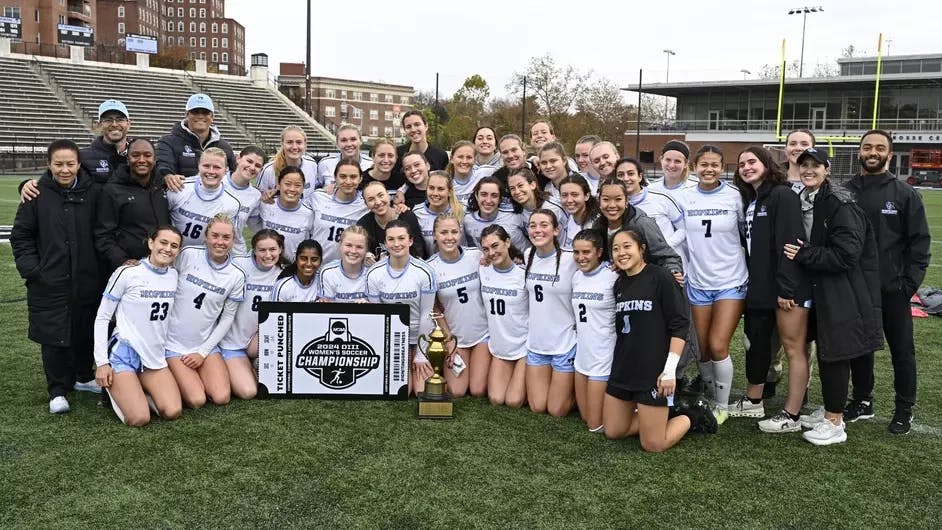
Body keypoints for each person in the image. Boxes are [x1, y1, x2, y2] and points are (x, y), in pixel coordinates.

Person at [783, 147, 883, 445]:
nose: (808, 170)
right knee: (826, 351)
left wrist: (805, 254)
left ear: (827, 169)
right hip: (820, 288)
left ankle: (835, 422)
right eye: (804, 166)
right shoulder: (808, 197)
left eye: (815, 166)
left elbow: (846, 255)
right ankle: (830, 410)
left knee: (835, 353)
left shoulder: (840, 202)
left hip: (842, 290)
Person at [844, 130, 931, 434]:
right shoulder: (845, 191)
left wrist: (908, 284)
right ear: (859, 152)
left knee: (902, 350)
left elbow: (919, 243)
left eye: (880, 148)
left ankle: (904, 408)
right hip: (855, 287)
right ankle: (863, 400)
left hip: (892, 288)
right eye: (867, 147)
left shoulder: (905, 193)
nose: (873, 152)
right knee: (859, 348)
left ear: (889, 155)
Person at [603, 229, 716, 451]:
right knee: (613, 431)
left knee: (654, 444)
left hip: (652, 372)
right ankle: (661, 414)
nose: (621, 253)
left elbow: (680, 324)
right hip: (623, 368)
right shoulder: (619, 284)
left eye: (627, 246)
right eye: (615, 249)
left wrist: (669, 370)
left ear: (642, 248)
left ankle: (693, 415)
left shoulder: (661, 277)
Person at [11, 139, 102, 414]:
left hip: (86, 277)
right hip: (49, 279)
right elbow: (21, 236)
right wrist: (33, 270)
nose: (65, 170)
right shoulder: (36, 194)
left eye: (70, 164)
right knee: (53, 334)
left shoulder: (94, 193)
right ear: (49, 165)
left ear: (78, 164)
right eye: (58, 164)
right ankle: (57, 389)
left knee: (85, 328)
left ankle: (83, 377)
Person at [729, 147, 809, 433]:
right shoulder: (752, 198)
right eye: (741, 164)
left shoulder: (782, 195)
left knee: (793, 349)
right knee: (756, 345)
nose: (746, 167)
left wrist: (786, 288)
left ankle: (792, 414)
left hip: (785, 289)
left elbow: (791, 245)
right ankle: (753, 400)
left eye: (752, 161)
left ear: (766, 164)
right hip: (759, 288)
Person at [679, 145, 747, 424]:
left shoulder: (735, 196)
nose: (709, 169)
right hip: (698, 281)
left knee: (719, 345)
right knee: (704, 348)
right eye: (703, 165)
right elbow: (677, 235)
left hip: (731, 280)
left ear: (723, 167)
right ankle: (706, 394)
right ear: (694, 167)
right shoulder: (684, 198)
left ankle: (722, 405)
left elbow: (746, 234)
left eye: (714, 165)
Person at [93, 226, 184, 425]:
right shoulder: (127, 272)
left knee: (173, 411)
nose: (168, 249)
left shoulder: (174, 276)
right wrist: (101, 363)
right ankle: (119, 392)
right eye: (163, 242)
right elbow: (102, 317)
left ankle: (138, 389)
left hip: (153, 355)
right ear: (151, 243)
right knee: (139, 418)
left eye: (174, 246)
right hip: (124, 352)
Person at [164, 214, 245, 409]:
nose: (220, 242)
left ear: (233, 241)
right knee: (196, 399)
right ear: (206, 237)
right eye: (215, 236)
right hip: (173, 343)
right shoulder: (189, 254)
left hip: (204, 344)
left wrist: (202, 352)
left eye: (226, 238)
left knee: (221, 397)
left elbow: (227, 318)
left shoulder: (236, 274)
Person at [366, 220, 437, 395]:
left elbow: (427, 313)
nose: (396, 244)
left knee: (422, 391)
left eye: (401, 238)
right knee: (403, 391)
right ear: (385, 243)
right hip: (395, 341)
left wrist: (421, 353)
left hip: (419, 337)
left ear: (410, 241)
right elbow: (378, 318)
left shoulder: (424, 272)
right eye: (391, 239)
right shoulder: (374, 273)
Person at [217, 229, 286, 400]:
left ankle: (251, 364)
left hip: (257, 340)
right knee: (248, 392)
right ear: (253, 250)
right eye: (262, 250)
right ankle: (226, 366)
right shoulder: (239, 264)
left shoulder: (284, 274)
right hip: (231, 341)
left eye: (273, 249)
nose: (268, 255)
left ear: (280, 250)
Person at [18, 99, 134, 200]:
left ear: (128, 124)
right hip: (97, 223)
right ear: (99, 124)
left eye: (120, 119)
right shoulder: (82, 156)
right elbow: (51, 180)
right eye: (108, 120)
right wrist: (26, 185)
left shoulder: (141, 156)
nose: (114, 124)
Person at [427, 214, 490, 398]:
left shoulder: (476, 256)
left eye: (454, 232)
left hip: (482, 335)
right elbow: (434, 307)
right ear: (435, 235)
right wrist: (448, 338)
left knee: (478, 390)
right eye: (444, 232)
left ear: (460, 233)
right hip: (455, 336)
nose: (449, 237)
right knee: (457, 391)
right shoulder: (430, 268)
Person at [524, 209, 578, 417]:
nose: (538, 230)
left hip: (564, 344)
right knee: (538, 406)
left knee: (556, 410)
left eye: (544, 225)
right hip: (537, 344)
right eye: (533, 225)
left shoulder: (571, 259)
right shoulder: (528, 255)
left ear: (556, 230)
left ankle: (577, 393)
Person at [95, 138, 171, 273]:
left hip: (163, 266)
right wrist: (122, 260)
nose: (142, 160)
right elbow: (103, 235)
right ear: (127, 159)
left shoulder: (163, 186)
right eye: (135, 155)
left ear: (154, 160)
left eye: (147, 155)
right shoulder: (112, 190)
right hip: (130, 270)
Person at [570, 229, 617, 433]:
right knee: (585, 417)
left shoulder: (613, 276)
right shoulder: (576, 277)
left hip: (604, 358)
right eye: (576, 252)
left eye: (586, 252)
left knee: (596, 426)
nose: (580, 258)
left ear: (599, 252)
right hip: (582, 358)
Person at [590, 178, 683, 276]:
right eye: (606, 200)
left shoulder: (642, 223)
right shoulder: (597, 226)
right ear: (599, 202)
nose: (612, 205)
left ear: (626, 201)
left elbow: (667, 257)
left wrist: (674, 272)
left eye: (618, 199)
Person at [479, 225, 528, 408]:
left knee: (514, 401)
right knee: (496, 399)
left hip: (523, 346)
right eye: (486, 249)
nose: (491, 252)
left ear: (507, 242)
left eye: (495, 245)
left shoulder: (524, 274)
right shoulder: (482, 271)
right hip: (500, 347)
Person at [167, 147, 242, 249]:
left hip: (202, 258)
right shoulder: (179, 188)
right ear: (199, 166)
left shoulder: (232, 204)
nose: (211, 171)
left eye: (217, 167)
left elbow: (229, 238)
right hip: (171, 254)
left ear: (226, 170)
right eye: (206, 166)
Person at [156, 93, 236, 181]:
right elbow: (163, 168)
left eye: (205, 112)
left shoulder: (225, 147)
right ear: (186, 114)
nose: (200, 116)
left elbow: (233, 176)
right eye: (195, 112)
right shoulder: (167, 142)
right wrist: (168, 176)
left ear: (212, 117)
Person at [615, 157, 686, 253]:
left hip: (669, 262)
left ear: (640, 176)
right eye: (620, 175)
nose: (626, 178)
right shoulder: (615, 206)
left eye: (631, 173)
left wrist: (664, 247)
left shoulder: (661, 198)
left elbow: (683, 228)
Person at [308, 158, 370, 264]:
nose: (348, 181)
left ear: (360, 179)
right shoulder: (318, 197)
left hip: (348, 270)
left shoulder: (366, 205)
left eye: (353, 177)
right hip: (315, 267)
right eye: (342, 176)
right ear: (335, 178)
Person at [250, 166, 314, 262]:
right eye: (287, 184)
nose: (292, 189)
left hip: (292, 269)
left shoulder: (309, 213)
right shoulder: (266, 204)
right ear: (278, 185)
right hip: (266, 263)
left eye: (297, 185)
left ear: (303, 188)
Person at [357, 181, 427, 259]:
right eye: (371, 199)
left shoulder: (407, 217)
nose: (378, 202)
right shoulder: (364, 224)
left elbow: (419, 251)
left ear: (388, 195)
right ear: (366, 204)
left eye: (381, 195)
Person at [463, 176, 528, 252]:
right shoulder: (468, 221)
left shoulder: (514, 215)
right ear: (477, 196)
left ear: (500, 199)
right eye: (484, 194)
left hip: (527, 260)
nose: (488, 200)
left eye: (494, 196)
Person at [508, 168, 570, 246]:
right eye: (512, 188)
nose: (517, 191)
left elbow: (567, 236)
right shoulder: (516, 212)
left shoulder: (553, 208)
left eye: (520, 186)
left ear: (532, 185)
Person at [256, 126, 320, 198]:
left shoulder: (312, 164)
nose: (294, 147)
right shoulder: (268, 170)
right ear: (282, 143)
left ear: (305, 144)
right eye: (289, 142)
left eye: (299, 142)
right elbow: (258, 198)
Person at [225, 146, 265, 255]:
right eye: (249, 161)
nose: (252, 167)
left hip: (237, 254)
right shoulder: (218, 182)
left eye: (257, 166)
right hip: (210, 248)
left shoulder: (256, 195)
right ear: (238, 158)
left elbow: (255, 225)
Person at [412, 170, 464, 253]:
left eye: (440, 189)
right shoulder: (417, 213)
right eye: (431, 188)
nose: (435, 193)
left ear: (449, 192)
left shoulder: (462, 211)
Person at [318, 225, 372, 302]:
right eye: (349, 245)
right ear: (340, 245)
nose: (353, 251)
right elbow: (327, 310)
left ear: (366, 249)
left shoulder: (372, 274)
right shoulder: (328, 272)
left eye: (359, 247)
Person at [393, 110, 449, 180]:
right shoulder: (397, 154)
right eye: (408, 127)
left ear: (426, 126)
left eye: (417, 124)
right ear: (405, 130)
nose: (413, 129)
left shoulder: (440, 156)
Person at [316, 124, 373, 189]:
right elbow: (317, 189)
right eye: (343, 140)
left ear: (360, 141)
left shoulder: (370, 164)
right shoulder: (325, 164)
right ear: (337, 143)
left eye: (353, 139)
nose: (349, 144)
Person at [559, 174, 600, 249]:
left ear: (586, 196)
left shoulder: (597, 223)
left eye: (574, 195)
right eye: (564, 195)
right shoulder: (565, 217)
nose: (569, 200)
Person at [362, 138, 405, 203]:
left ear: (396, 158)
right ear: (373, 157)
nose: (386, 160)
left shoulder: (401, 181)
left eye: (390, 156)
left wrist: (402, 191)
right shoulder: (361, 180)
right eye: (381, 155)